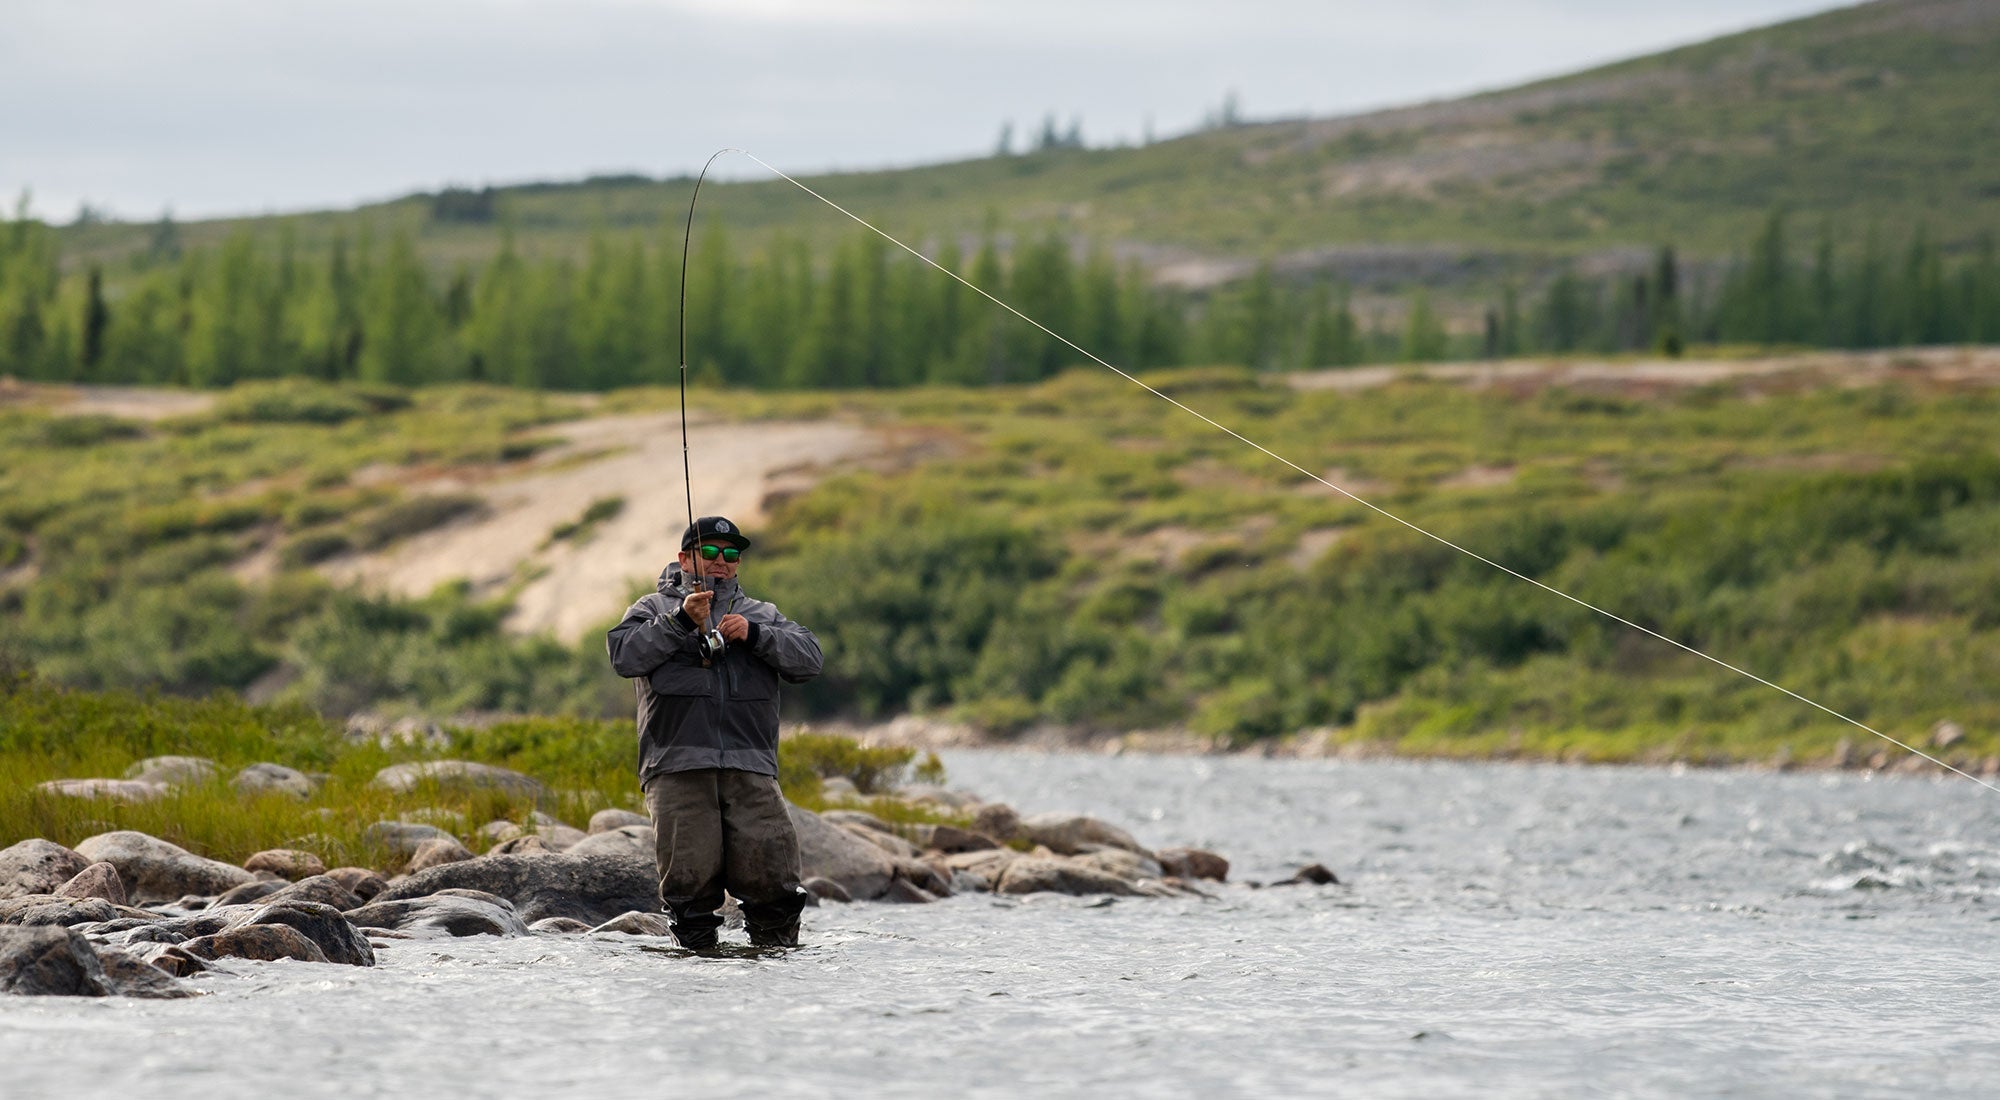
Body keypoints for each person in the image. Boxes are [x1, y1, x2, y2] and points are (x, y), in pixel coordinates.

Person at [605, 515, 823, 949]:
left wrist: (756, 635)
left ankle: (776, 968)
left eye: (730, 554)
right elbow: (625, 656)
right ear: (684, 558)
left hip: (751, 766)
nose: (720, 561)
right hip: (677, 767)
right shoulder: (650, 610)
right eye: (709, 552)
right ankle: (697, 972)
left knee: (774, 884)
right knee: (689, 890)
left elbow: (809, 660)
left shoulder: (763, 614)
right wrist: (680, 622)